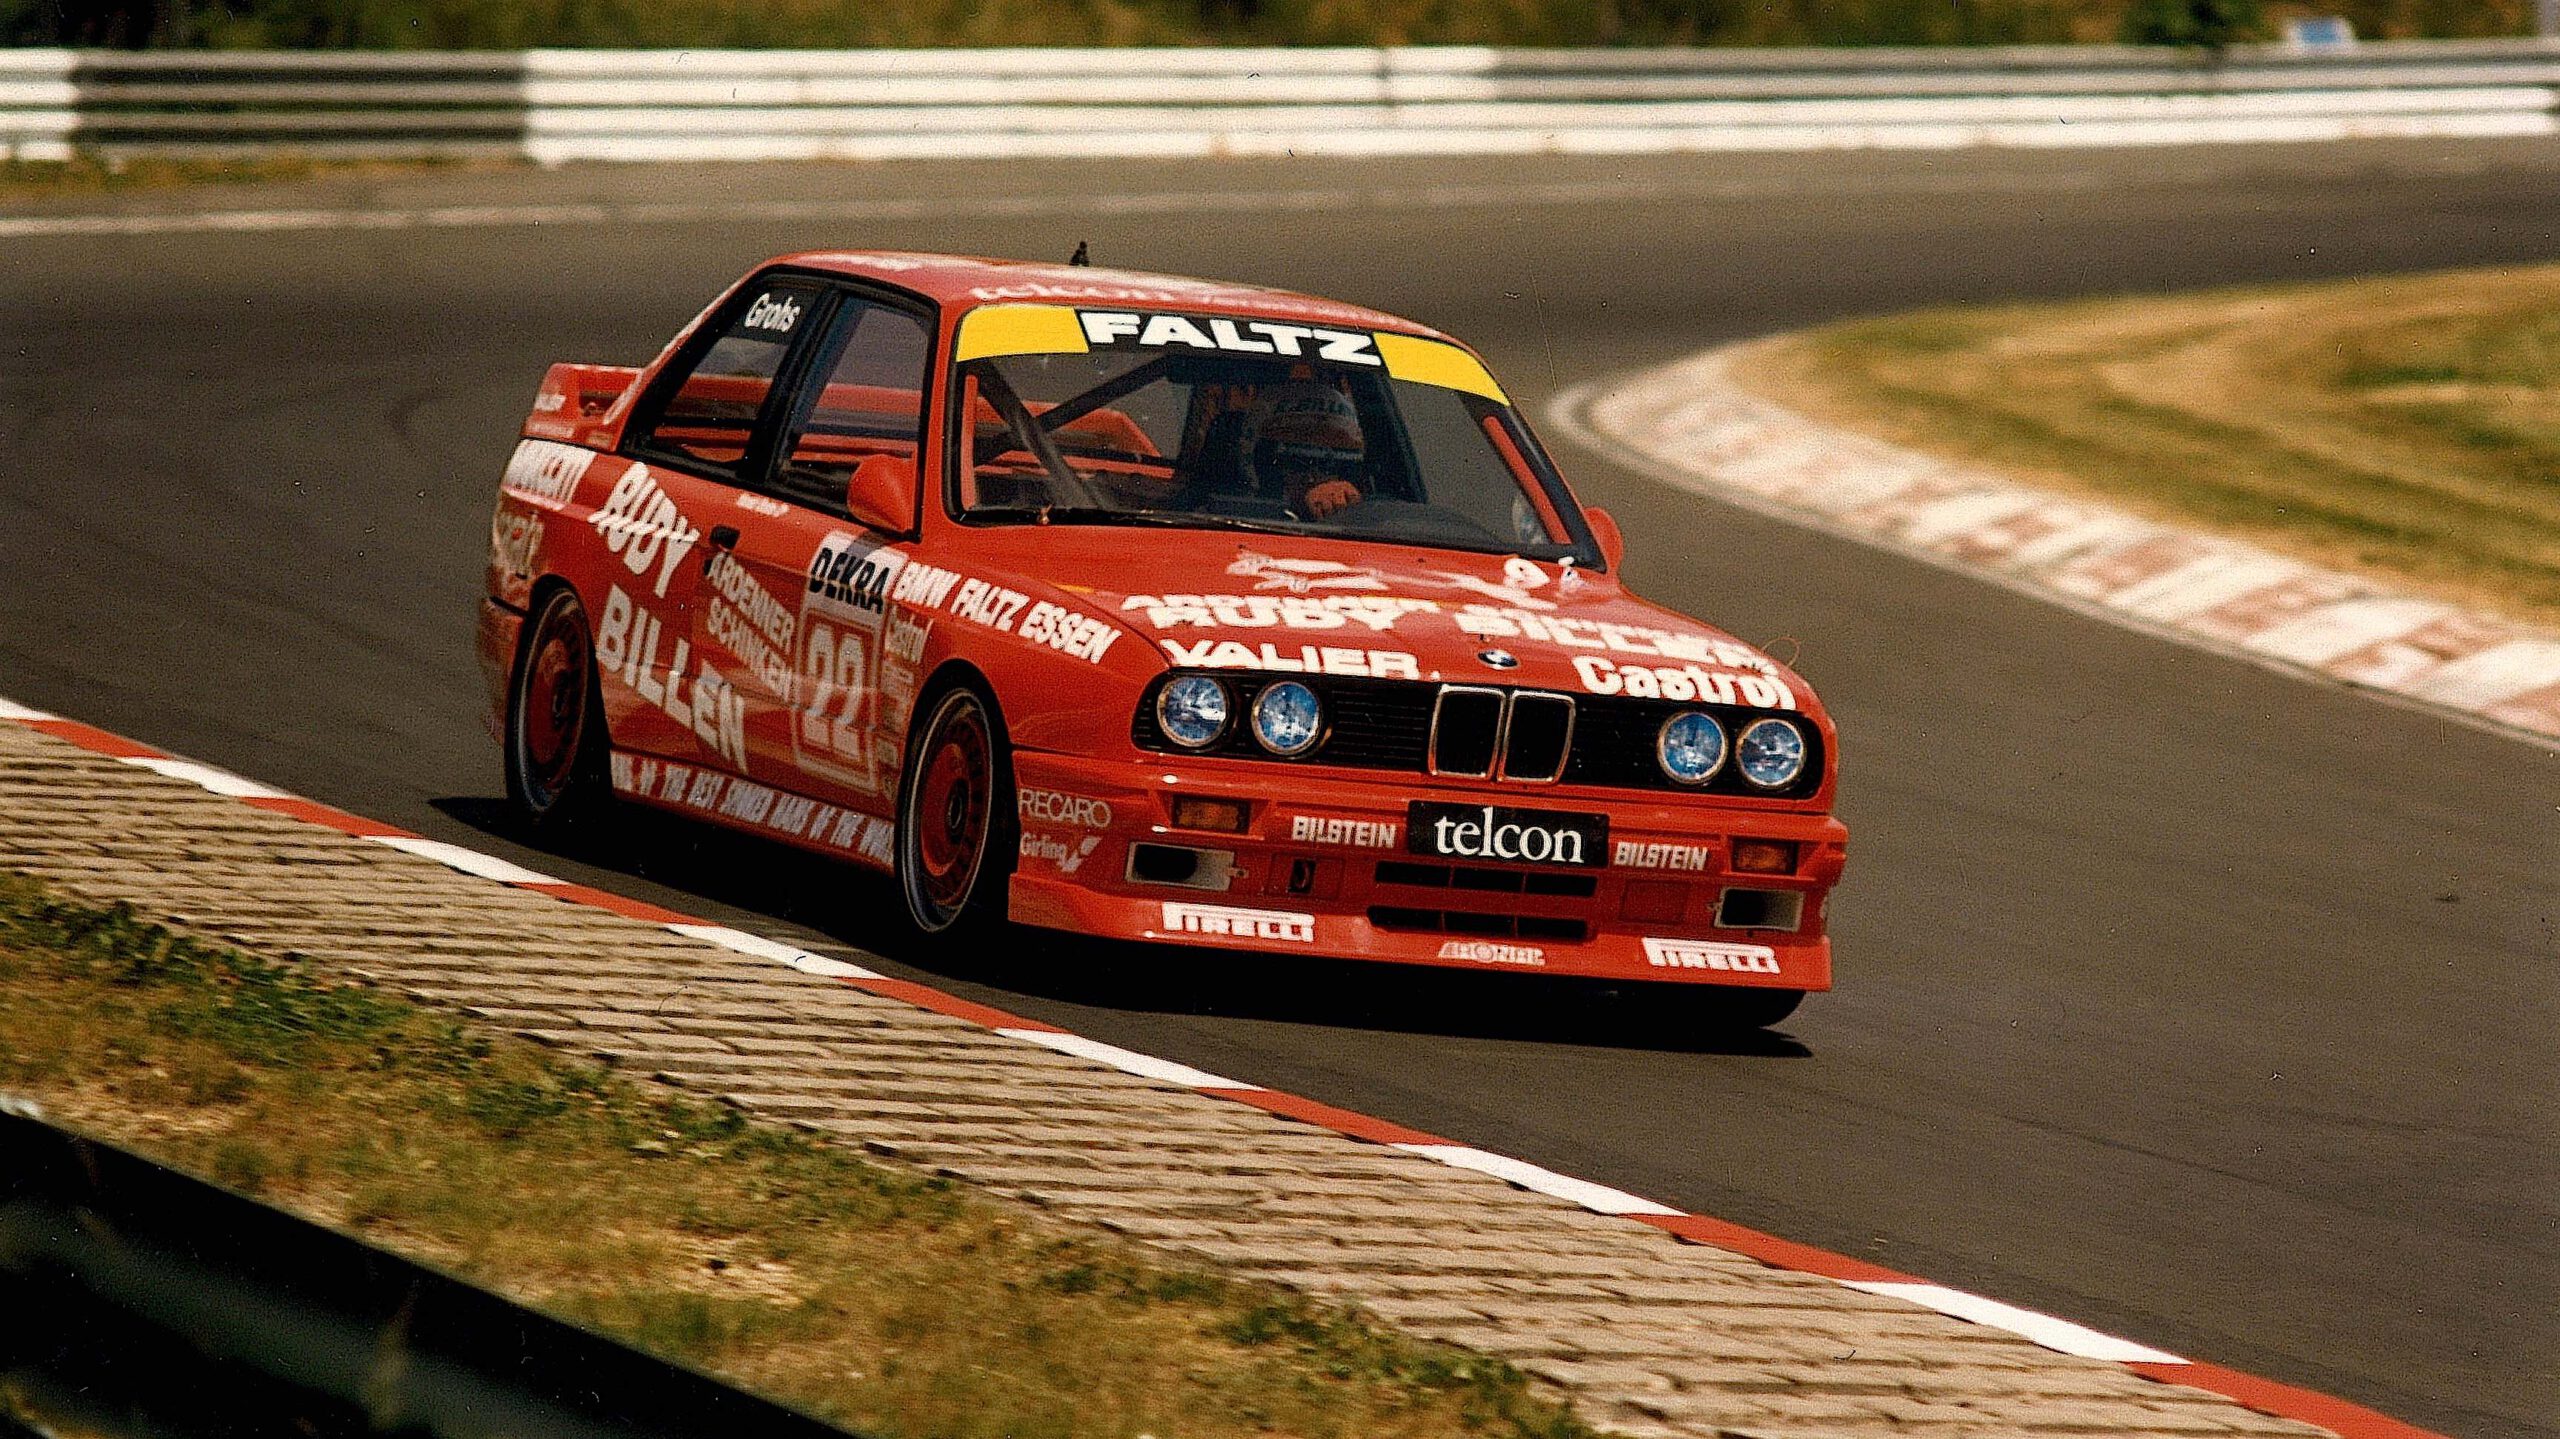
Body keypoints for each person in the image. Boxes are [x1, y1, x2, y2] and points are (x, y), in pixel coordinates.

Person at [1242, 380, 1367, 519]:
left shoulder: (1361, 521)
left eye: (1328, 466)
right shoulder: (1240, 514)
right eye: (1295, 464)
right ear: (1265, 466)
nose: (1311, 478)